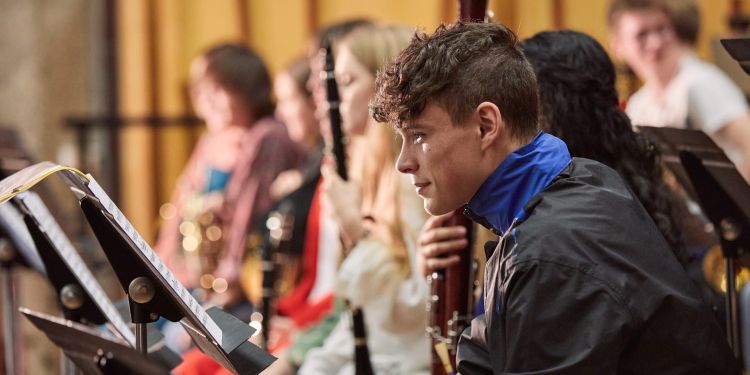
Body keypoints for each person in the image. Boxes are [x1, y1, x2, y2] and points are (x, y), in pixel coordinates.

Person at [371, 21, 738, 373]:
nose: (403, 163)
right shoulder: (575, 179)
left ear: (486, 126)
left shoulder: (549, 254)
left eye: (418, 135)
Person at [298, 24, 430, 374]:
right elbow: (358, 316)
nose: (329, 100)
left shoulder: (410, 176)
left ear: (385, 87)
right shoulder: (370, 169)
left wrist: (356, 232)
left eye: (346, 83)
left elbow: (418, 309)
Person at [155, 43, 300, 311]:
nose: (205, 101)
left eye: (218, 90)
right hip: (195, 279)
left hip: (237, 286)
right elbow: (179, 209)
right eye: (202, 91)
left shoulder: (266, 137)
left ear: (247, 90)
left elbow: (247, 218)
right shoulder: (210, 142)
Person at [608, 0, 750, 180]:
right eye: (641, 35)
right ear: (617, 46)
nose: (656, 43)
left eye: (662, 29)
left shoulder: (699, 82)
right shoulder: (638, 104)